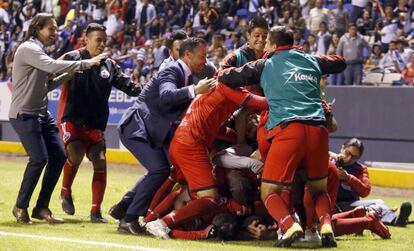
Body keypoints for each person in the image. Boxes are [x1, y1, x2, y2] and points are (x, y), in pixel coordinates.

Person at [218, 26, 346, 247]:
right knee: (318, 189)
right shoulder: (312, 60)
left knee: (270, 190)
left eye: (267, 43)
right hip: (318, 131)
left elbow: (227, 77)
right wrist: (308, 59)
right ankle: (325, 226)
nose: (265, 47)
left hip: (289, 131)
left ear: (274, 45)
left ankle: (289, 226)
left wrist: (223, 67)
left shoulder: (266, 64)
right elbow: (340, 62)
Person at [8, 13, 107, 224]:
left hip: (42, 115)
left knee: (59, 156)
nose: (55, 33)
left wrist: (66, 76)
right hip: (24, 115)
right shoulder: (29, 49)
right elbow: (53, 66)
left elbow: (46, 85)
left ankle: (41, 207)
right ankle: (20, 206)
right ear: (37, 29)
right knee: (39, 159)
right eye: (51, 29)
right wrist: (85, 64)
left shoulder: (39, 51)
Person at [111, 38, 216, 235]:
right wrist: (195, 90)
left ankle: (128, 207)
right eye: (202, 56)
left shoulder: (185, 75)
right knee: (159, 170)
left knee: (166, 170)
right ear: (188, 56)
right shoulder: (173, 70)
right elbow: (167, 96)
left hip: (150, 130)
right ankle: (129, 219)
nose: (205, 61)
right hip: (137, 127)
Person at [57, 23, 142, 223]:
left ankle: (96, 212)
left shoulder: (109, 65)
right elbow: (48, 69)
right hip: (71, 119)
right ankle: (65, 191)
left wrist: (151, 90)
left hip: (95, 124)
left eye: (105, 40)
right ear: (86, 40)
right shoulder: (71, 58)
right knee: (76, 154)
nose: (103, 44)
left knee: (100, 162)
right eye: (99, 40)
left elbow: (128, 86)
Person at [331, 138, 412, 227]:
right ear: (342, 148)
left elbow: (365, 191)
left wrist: (348, 178)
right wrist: (330, 155)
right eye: (347, 153)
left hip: (349, 205)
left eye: (354, 157)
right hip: (329, 204)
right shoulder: (330, 161)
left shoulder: (360, 169)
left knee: (378, 203)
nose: (349, 158)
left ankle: (394, 220)